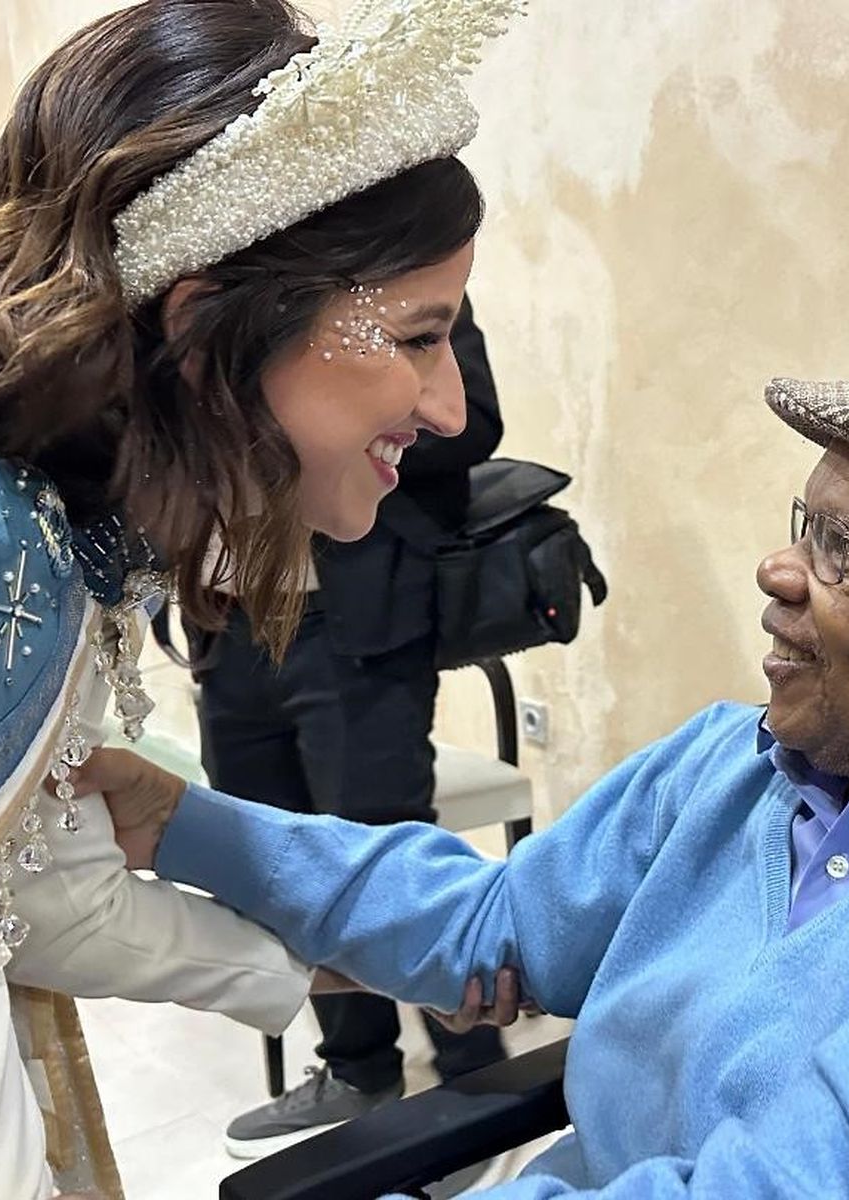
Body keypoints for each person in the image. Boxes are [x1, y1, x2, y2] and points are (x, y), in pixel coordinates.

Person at [83, 362, 849, 1198]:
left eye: (845, 550)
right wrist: (181, 823)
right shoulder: (734, 764)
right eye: (803, 524)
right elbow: (494, 927)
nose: (777, 570)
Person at [0, 0, 519, 1196]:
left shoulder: (56, 515)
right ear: (208, 318)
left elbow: (40, 899)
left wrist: (354, 955)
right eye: (417, 338)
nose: (449, 413)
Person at [194, 295, 508, 1159]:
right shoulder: (193, 293)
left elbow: (471, 422)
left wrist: (316, 411)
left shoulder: (394, 281)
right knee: (278, 860)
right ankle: (358, 1065)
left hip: (352, 619)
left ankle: (475, 1079)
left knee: (381, 850)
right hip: (227, 621)